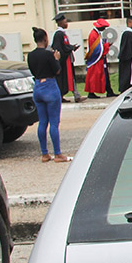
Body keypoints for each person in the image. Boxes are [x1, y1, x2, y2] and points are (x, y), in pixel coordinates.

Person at [27, 27, 70, 163]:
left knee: (42, 122)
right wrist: (56, 59)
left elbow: (33, 71)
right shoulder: (48, 55)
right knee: (54, 122)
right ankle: (57, 154)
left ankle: (44, 153)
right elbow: (57, 70)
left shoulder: (30, 55)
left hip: (38, 86)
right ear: (45, 39)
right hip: (50, 87)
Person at [50, 13, 85, 103]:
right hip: (64, 61)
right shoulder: (59, 34)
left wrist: (71, 47)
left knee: (69, 78)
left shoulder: (62, 34)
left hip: (67, 60)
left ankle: (74, 95)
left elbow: (64, 46)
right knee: (67, 78)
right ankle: (74, 96)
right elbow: (60, 48)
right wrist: (71, 48)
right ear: (60, 22)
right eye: (65, 21)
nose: (67, 23)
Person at [84, 19, 114, 98]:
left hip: (99, 59)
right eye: (104, 27)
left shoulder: (97, 34)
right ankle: (91, 93)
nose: (105, 29)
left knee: (103, 75)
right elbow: (96, 49)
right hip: (95, 59)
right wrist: (107, 46)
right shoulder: (93, 34)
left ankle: (109, 91)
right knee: (94, 77)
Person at [118, 16, 132, 93]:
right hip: (128, 59)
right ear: (129, 23)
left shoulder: (131, 34)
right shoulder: (127, 34)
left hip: (130, 58)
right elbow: (128, 48)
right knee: (126, 76)